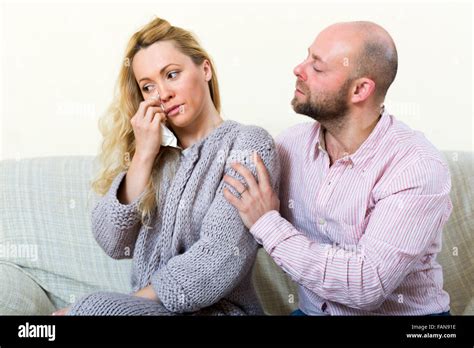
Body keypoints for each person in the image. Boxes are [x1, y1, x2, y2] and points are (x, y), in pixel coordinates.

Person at [53, 16, 279, 316]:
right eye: (148, 87)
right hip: (151, 311)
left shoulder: (247, 143)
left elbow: (220, 256)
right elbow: (112, 241)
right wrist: (144, 155)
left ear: (205, 69)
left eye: (172, 74)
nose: (162, 94)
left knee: (90, 308)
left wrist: (111, 308)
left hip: (221, 311)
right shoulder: (156, 160)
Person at [224, 21, 452, 315]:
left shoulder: (417, 167)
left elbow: (366, 285)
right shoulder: (290, 145)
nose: (298, 69)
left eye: (317, 68)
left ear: (360, 90)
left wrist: (267, 223)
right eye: (307, 57)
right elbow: (224, 200)